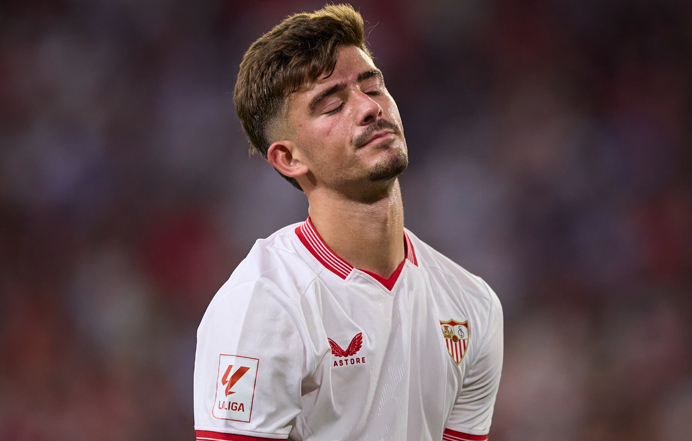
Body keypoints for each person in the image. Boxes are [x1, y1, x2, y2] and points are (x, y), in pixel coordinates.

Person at [193, 4, 503, 441]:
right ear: (289, 158)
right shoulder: (262, 306)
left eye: (373, 86)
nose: (369, 107)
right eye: (334, 105)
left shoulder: (472, 306)